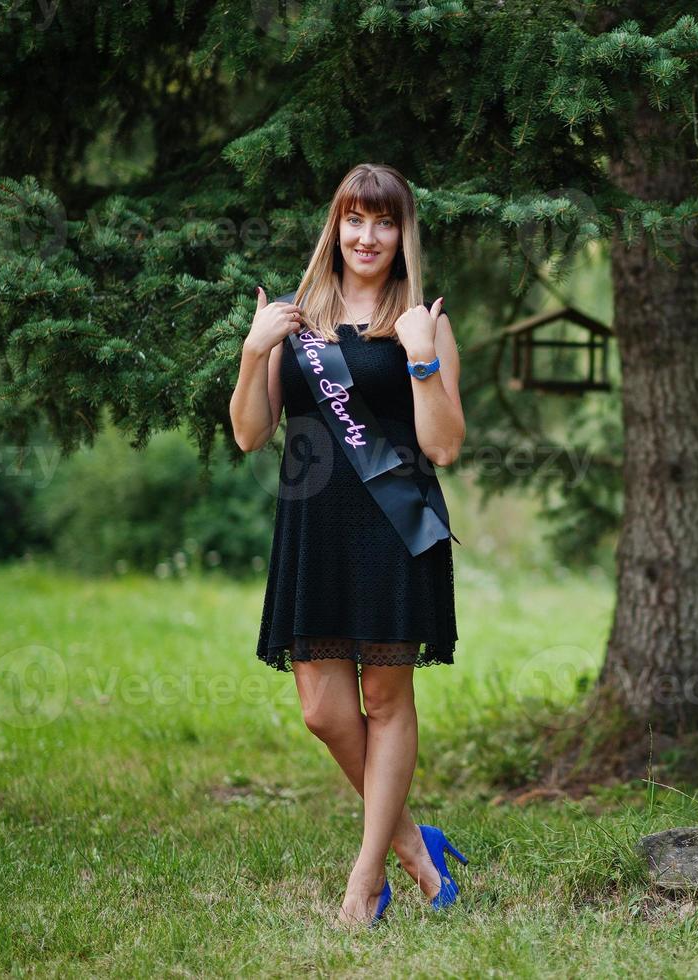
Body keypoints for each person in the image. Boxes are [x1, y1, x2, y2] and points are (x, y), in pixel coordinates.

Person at [229, 163, 468, 927]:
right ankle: (414, 844)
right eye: (355, 220)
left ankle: (367, 880)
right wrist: (251, 351)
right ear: (336, 226)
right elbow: (247, 433)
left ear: (403, 234)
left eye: (384, 222)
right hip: (314, 528)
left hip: (395, 525)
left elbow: (446, 447)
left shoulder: (424, 320)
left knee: (386, 700)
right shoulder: (293, 319)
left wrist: (421, 355)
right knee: (323, 711)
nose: (368, 237)